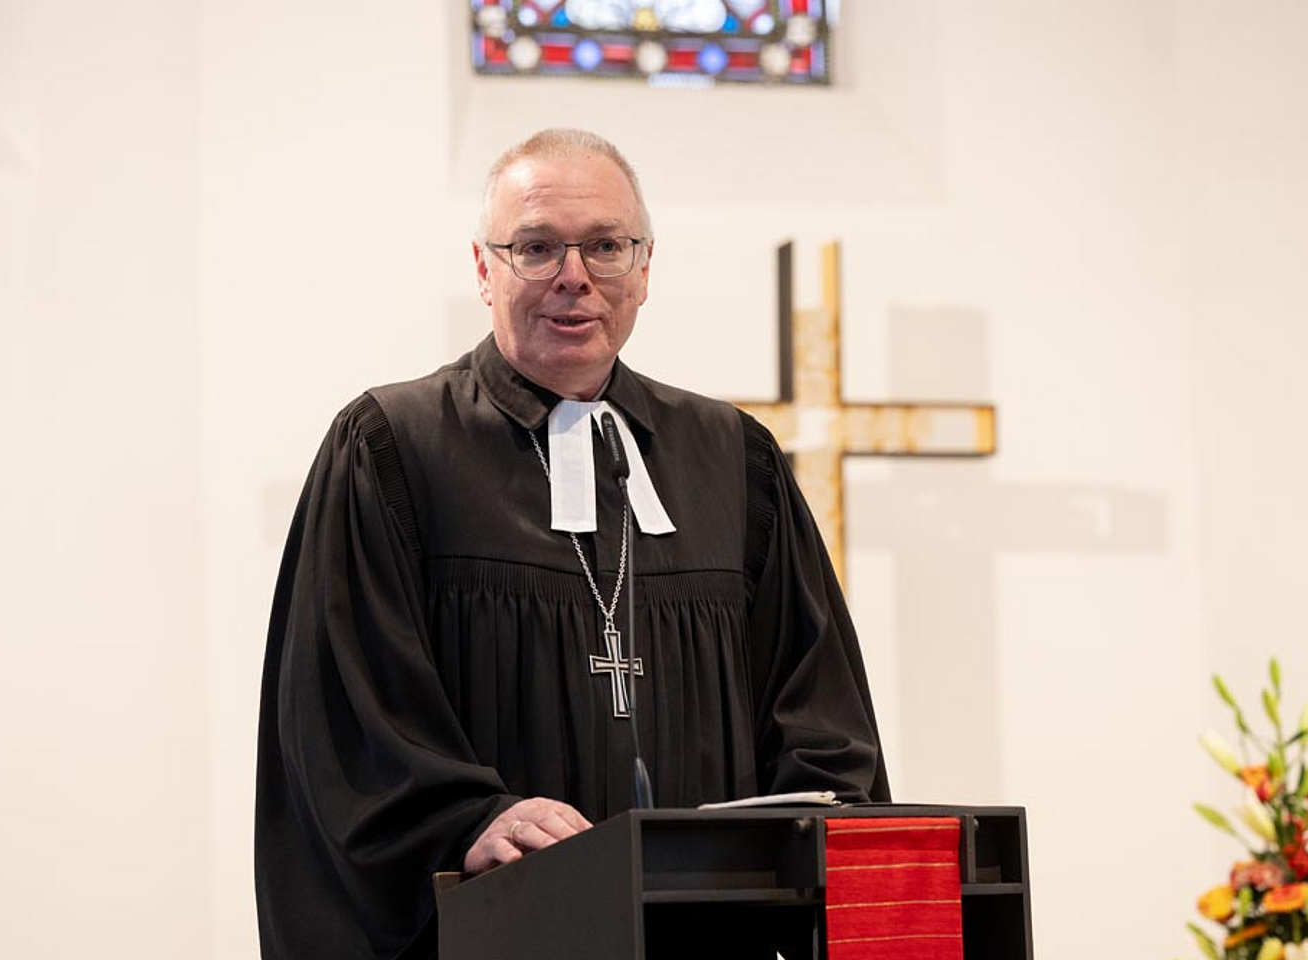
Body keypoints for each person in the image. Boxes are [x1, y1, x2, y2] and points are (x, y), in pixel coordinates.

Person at [254, 128, 890, 960]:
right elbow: (346, 709)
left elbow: (820, 706)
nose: (574, 277)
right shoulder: (392, 448)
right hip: (494, 930)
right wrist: (469, 819)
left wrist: (814, 825)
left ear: (646, 268)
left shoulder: (733, 459)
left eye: (605, 247)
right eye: (537, 247)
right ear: (484, 270)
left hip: (707, 937)